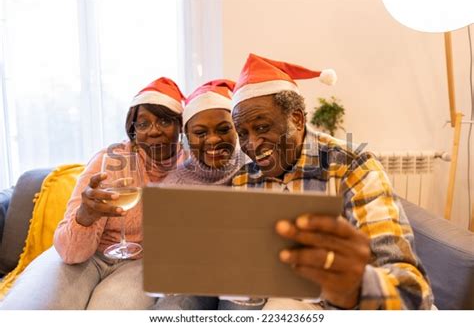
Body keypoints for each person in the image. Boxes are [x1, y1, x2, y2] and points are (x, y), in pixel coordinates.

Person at [230, 53, 434, 310]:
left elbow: (413, 294)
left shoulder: (352, 165)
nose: (252, 144)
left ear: (297, 119)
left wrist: (358, 287)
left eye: (262, 127)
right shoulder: (245, 179)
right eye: (242, 133)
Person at [0, 77, 187, 309]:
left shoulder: (191, 168)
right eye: (143, 124)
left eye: (164, 121)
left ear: (181, 126)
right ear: (133, 129)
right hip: (86, 256)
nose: (153, 131)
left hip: (139, 263)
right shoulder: (109, 160)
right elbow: (70, 253)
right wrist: (85, 216)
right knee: (30, 309)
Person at [153, 79, 260, 310]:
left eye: (223, 129)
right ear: (187, 138)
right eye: (200, 132)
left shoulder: (255, 168)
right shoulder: (174, 184)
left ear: (237, 130)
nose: (213, 139)